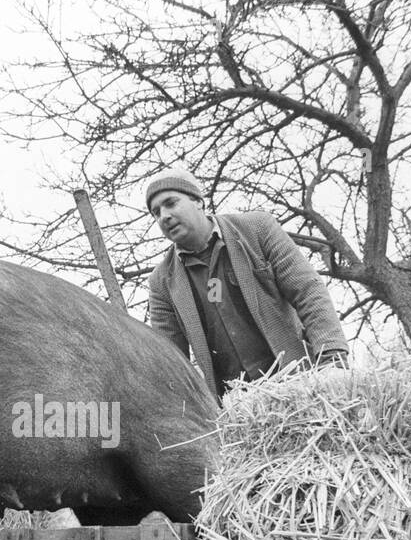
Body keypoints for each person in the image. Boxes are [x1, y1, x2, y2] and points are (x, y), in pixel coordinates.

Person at [144, 168, 350, 399]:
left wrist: (332, 358)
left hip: (302, 385)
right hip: (235, 408)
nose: (164, 216)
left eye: (170, 203)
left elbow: (308, 291)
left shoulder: (258, 229)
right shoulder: (161, 283)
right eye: (156, 212)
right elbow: (170, 360)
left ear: (198, 201)